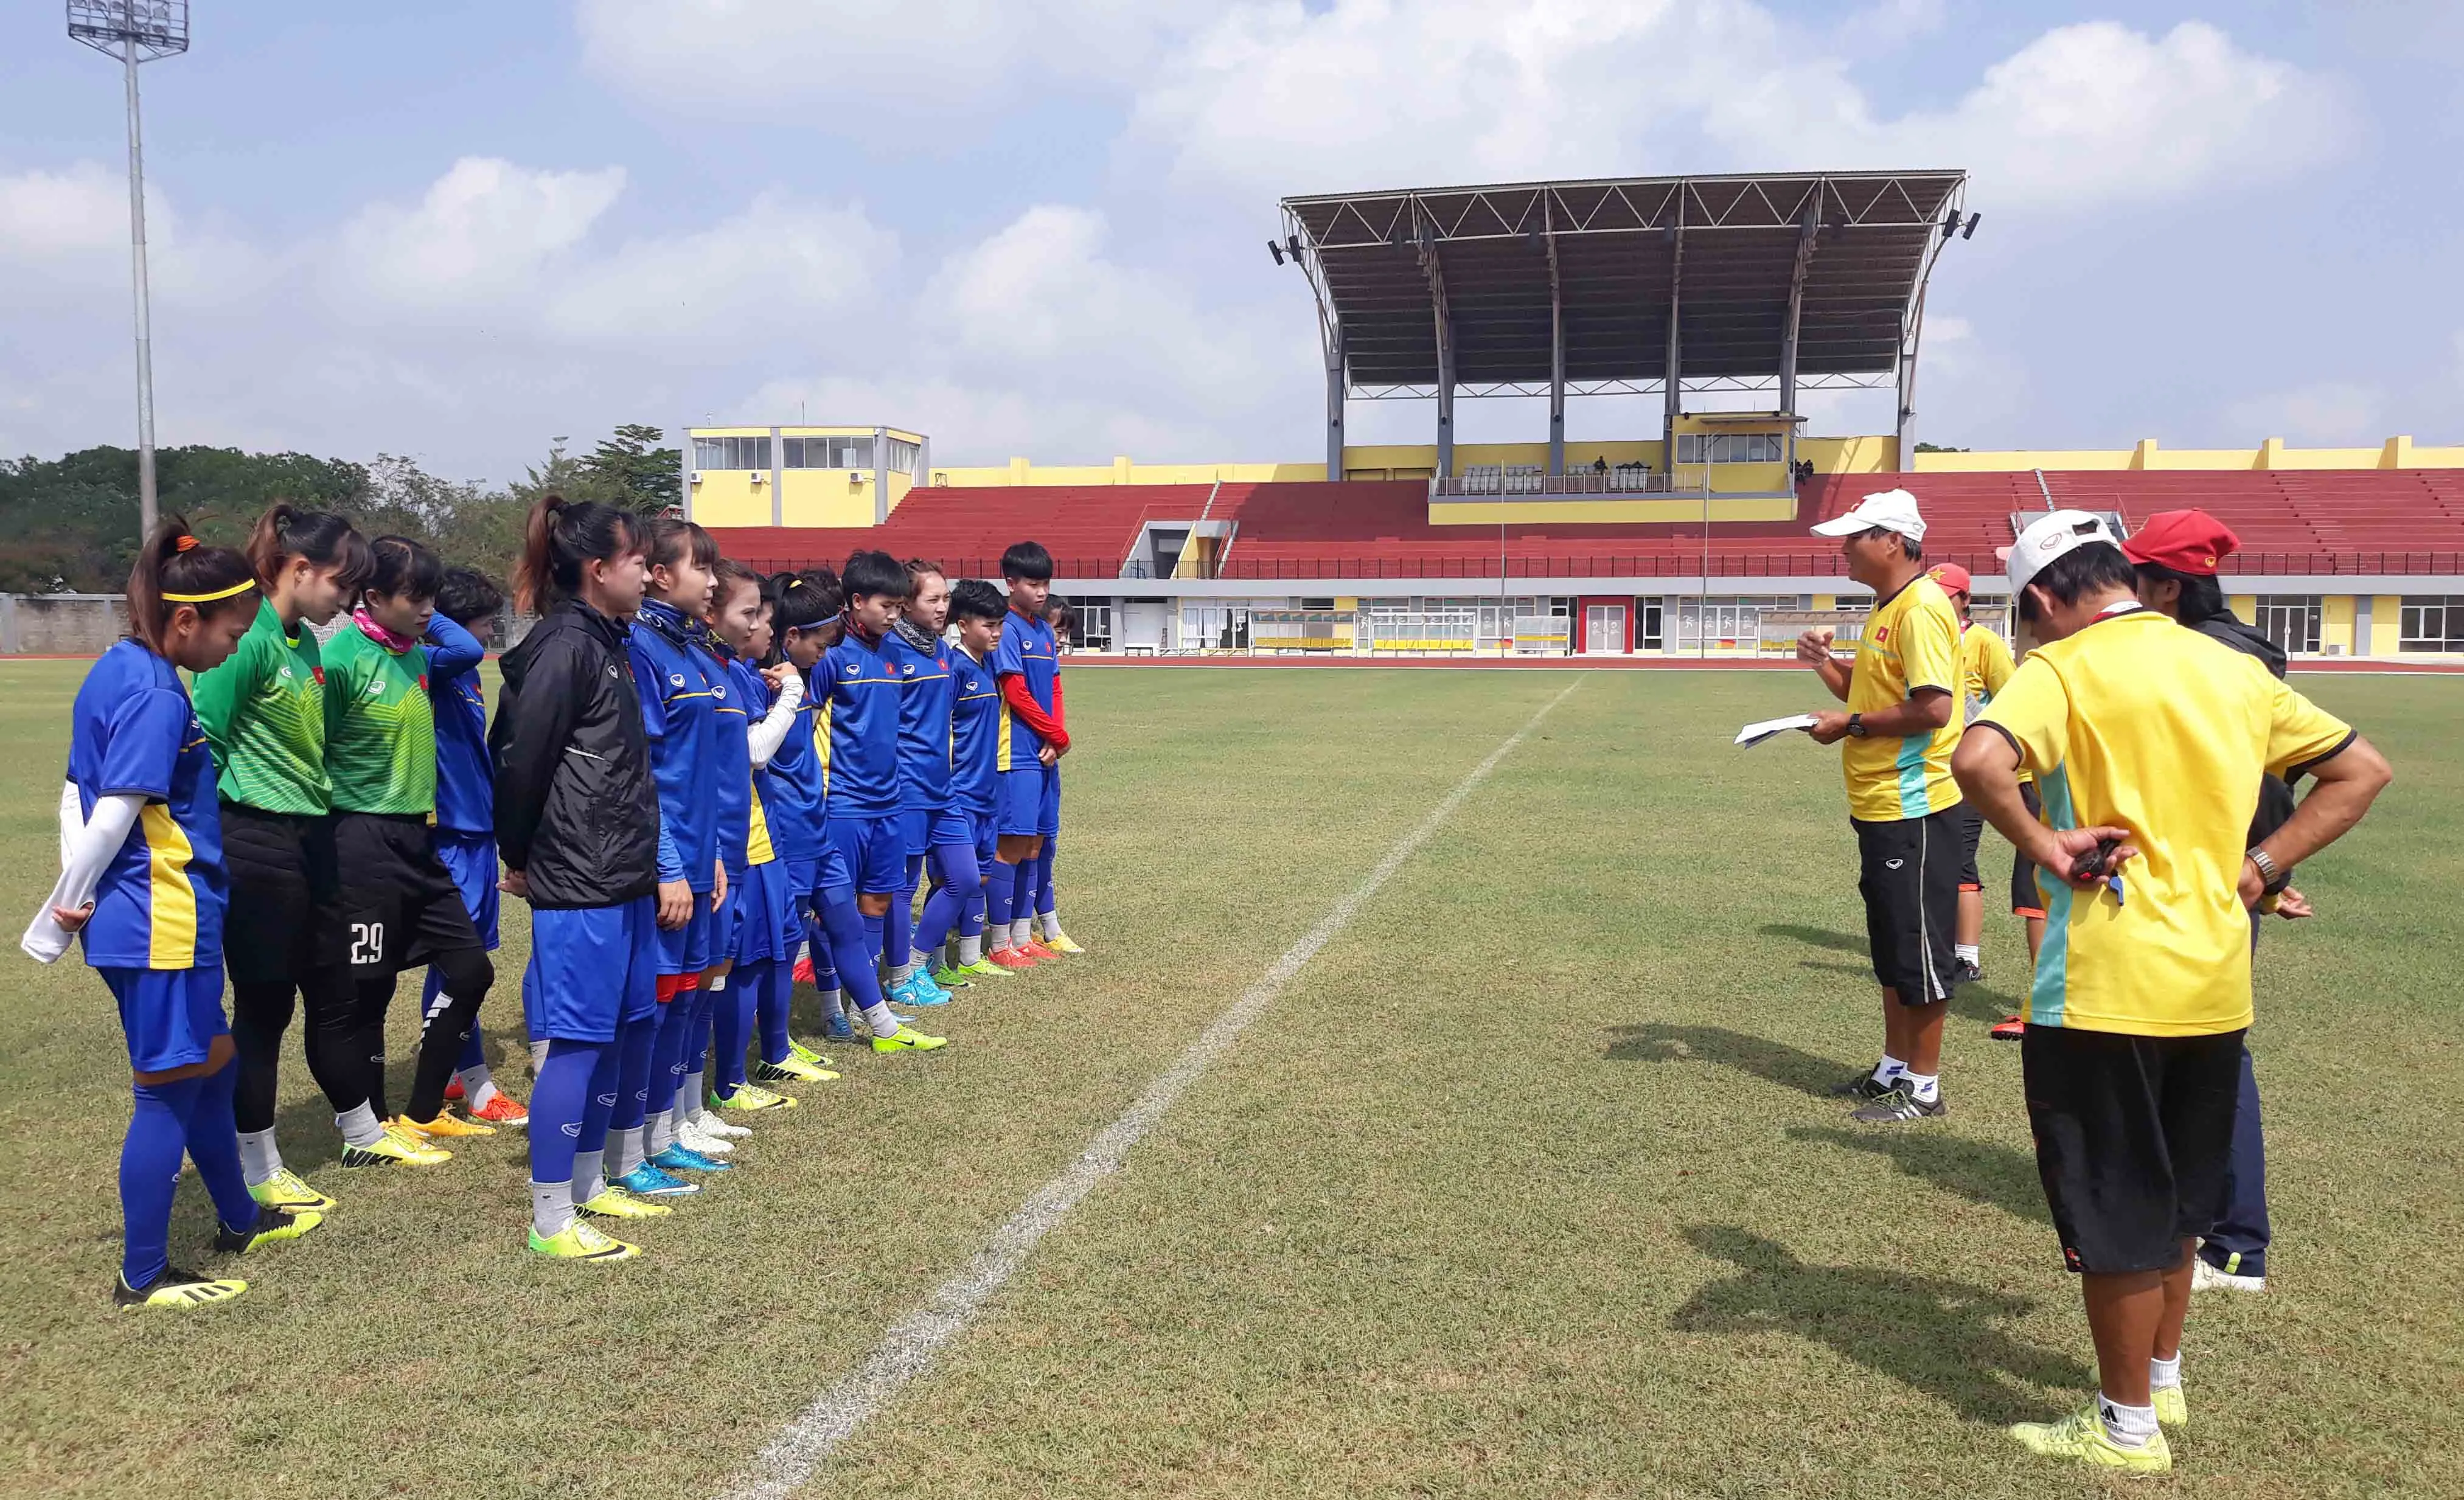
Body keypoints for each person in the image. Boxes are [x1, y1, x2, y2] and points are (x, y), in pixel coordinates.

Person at [1953, 511, 2389, 1473]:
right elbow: (2360, 769)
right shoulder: (2230, 667)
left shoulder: (2060, 670)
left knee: (2115, 1209)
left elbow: (1978, 760)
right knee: (2181, 1207)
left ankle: (2124, 1428)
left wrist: (2043, 845)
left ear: (2038, 600)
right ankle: (2160, 1383)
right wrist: (2263, 863)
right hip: (2214, 983)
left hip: (2105, 986)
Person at [23, 519, 325, 1309]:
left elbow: (69, 786)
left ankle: (237, 1215)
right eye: (231, 634)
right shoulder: (158, 692)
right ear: (185, 620)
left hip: (155, 919)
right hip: (162, 920)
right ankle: (143, 1274)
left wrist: (79, 893)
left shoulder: (120, 667)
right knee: (165, 1087)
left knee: (213, 1064)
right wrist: (63, 909)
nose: (234, 649)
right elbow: (114, 810)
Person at [189, 504, 404, 1210]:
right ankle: (258, 1164)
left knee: (336, 991)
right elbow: (203, 743)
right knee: (264, 1007)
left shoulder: (306, 643)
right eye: (341, 584)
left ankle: (362, 1131)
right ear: (298, 568)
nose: (345, 601)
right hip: (254, 840)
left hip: (312, 838)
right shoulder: (247, 641)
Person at [2125, 508, 2306, 1295]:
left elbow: (2265, 779)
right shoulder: (2242, 649)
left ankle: (2233, 1244)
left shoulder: (2205, 659)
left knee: (2209, 1058)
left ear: (2165, 588)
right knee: (2194, 1051)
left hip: (2205, 879)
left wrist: (2258, 868)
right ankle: (2199, 1218)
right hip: (2221, 873)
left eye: (2134, 577)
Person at [492, 495, 666, 1260]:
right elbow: (519, 759)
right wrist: (521, 855)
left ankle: (591, 1185)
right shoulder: (564, 645)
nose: (649, 573)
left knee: (626, 1028)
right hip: (581, 877)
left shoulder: (609, 640)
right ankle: (551, 1218)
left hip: (620, 870)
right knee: (577, 1043)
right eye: (638, 561)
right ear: (599, 570)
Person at [321, 536, 500, 1153]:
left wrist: (423, 599)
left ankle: (424, 1110)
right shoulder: (340, 658)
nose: (427, 610)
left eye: (432, 598)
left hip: (418, 840)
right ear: (371, 597)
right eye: (415, 597)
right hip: (360, 840)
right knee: (369, 991)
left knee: (473, 968)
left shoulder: (417, 658)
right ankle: (369, 1129)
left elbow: (466, 646)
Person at [1796, 489, 1965, 1123]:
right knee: (1894, 948)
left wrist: (1852, 725)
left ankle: (1923, 1085)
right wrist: (1826, 670)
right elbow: (1868, 696)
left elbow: (1933, 708)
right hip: (1882, 804)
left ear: (1892, 540)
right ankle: (1894, 1068)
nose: (1843, 548)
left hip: (1913, 806)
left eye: (1854, 537)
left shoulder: (1920, 609)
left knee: (1919, 951)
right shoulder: (1888, 607)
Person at [621, 518, 730, 1196]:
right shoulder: (641, 649)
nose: (713, 581)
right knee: (654, 1008)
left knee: (689, 998)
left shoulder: (691, 648)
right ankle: (630, 1150)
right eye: (702, 567)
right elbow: (642, 770)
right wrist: (666, 864)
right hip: (663, 863)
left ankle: (665, 1131)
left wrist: (708, 855)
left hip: (702, 857)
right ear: (660, 574)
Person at [700, 561, 825, 1129]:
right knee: (740, 962)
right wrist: (792, 694)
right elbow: (755, 751)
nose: (767, 629)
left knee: (776, 948)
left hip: (764, 832)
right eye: (755, 616)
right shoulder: (720, 671)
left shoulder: (750, 672)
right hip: (733, 842)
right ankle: (729, 1080)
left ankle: (771, 1056)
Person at [812, 549, 946, 1052]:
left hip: (890, 805)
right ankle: (832, 1008)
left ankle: (868, 1004)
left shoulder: (893, 654)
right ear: (856, 601)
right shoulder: (831, 656)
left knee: (876, 904)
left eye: (899, 606)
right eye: (886, 606)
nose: (893, 615)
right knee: (836, 913)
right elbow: (807, 731)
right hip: (844, 807)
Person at [423, 567, 529, 1127]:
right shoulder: (440, 663)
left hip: (476, 835)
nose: (490, 633)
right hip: (449, 838)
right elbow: (461, 643)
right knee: (457, 967)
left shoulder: (461, 675)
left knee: (464, 964)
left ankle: (443, 1074)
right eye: (487, 619)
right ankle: (477, 1085)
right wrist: (425, 601)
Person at [753, 570, 851, 1074]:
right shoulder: (768, 685)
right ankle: (774, 1050)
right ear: (792, 637)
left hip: (816, 827)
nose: (828, 653)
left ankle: (874, 1020)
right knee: (781, 946)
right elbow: (757, 756)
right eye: (822, 642)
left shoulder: (808, 677)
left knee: (836, 925)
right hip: (784, 834)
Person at [884, 558, 969, 1004]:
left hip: (943, 786)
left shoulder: (943, 652)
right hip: (908, 787)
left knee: (965, 877)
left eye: (946, 598)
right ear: (907, 603)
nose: (942, 607)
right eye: (932, 599)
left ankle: (918, 963)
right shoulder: (892, 652)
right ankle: (900, 978)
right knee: (903, 886)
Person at [1927, 563, 2013, 988]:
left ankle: (1967, 956)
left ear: (1965, 599)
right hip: (1924, 766)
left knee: (1960, 860)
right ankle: (1938, 945)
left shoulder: (1983, 643)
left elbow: (2013, 700)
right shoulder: (1923, 636)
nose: (1939, 602)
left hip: (1965, 769)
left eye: (1947, 595)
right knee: (1931, 859)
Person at [988, 542, 1067, 968]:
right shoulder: (1009, 628)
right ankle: (1000, 943)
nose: (1041, 592)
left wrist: (1057, 738)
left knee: (1037, 845)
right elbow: (1015, 691)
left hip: (1046, 751)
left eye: (1046, 584)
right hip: (1018, 752)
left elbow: (1053, 686)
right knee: (1012, 845)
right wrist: (1054, 734)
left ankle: (1022, 934)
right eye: (1033, 584)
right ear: (1011, 583)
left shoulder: (1041, 629)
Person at [942, 579, 1013, 981]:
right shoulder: (955, 668)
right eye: (989, 625)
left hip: (988, 790)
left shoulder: (987, 665)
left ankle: (970, 955)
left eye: (1000, 624)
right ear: (964, 624)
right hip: (960, 792)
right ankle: (934, 961)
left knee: (982, 874)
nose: (997, 633)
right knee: (953, 878)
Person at [1032, 595, 1085, 955]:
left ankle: (1047, 925)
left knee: (1045, 846)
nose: (1061, 639)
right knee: (1018, 849)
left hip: (1050, 758)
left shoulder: (1050, 665)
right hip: (1022, 761)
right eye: (1057, 629)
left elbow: (1056, 699)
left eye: (1065, 632)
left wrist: (1058, 737)